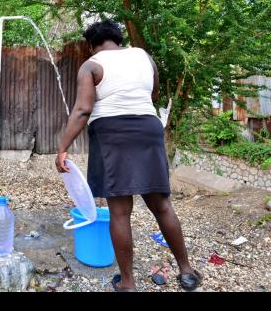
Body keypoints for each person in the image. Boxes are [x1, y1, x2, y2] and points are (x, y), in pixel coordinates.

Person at [55, 19, 201, 292]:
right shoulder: (144, 57)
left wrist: (62, 147)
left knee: (120, 213)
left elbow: (83, 110)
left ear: (91, 45)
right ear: (118, 39)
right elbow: (153, 94)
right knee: (162, 205)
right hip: (148, 128)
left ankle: (128, 283)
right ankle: (187, 271)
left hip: (112, 135)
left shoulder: (92, 65)